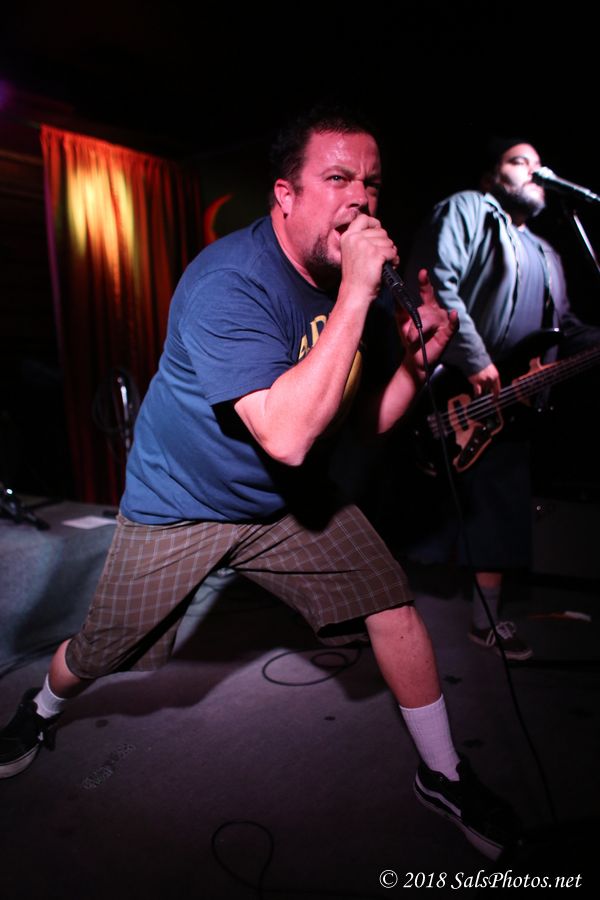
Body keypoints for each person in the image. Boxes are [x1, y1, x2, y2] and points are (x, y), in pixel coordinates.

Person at [0, 106, 517, 860]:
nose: (360, 198)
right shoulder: (228, 282)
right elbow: (287, 432)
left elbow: (362, 422)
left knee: (392, 604)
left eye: (371, 183)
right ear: (285, 194)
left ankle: (444, 774)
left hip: (282, 499)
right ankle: (40, 707)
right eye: (336, 178)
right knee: (102, 648)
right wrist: (357, 297)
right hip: (185, 502)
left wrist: (418, 360)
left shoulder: (349, 287)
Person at [402, 137, 600, 660]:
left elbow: (565, 328)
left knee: (503, 503)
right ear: (492, 176)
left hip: (512, 400)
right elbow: (436, 282)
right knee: (416, 499)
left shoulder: (548, 254)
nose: (536, 171)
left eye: (540, 164)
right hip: (454, 382)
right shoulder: (470, 208)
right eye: (520, 161)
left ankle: (486, 622)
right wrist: (475, 359)